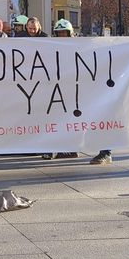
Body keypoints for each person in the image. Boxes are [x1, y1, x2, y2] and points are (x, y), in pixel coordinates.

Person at [42, 19, 79, 160]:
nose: (62, 35)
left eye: (65, 32)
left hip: (71, 89)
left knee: (70, 120)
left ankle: (70, 149)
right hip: (56, 89)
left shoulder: (78, 47)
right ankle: (53, 148)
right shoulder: (52, 47)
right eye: (59, 33)